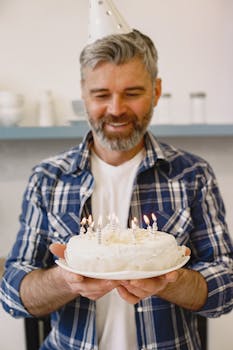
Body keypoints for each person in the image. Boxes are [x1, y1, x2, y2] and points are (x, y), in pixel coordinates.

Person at [1, 29, 233, 350]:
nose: (115, 109)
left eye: (132, 92)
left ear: (156, 90)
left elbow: (227, 287)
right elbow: (12, 294)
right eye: (100, 94)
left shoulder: (193, 175)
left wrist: (171, 281)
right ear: (83, 94)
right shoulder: (48, 178)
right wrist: (64, 279)